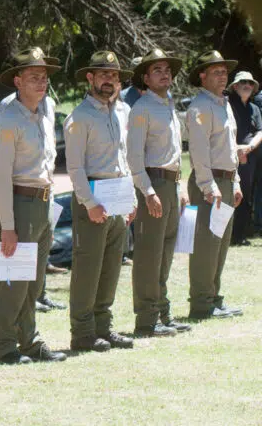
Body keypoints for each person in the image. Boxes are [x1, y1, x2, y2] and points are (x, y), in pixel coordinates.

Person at [0, 48, 67, 365]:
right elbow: (2, 179)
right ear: (18, 81)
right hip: (20, 201)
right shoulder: (9, 121)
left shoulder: (46, 109)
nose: (41, 81)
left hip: (43, 200)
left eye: (44, 76)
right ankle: (6, 347)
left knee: (34, 280)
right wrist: (7, 226)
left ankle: (30, 341)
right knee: (13, 278)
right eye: (33, 76)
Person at [64, 50, 136, 353]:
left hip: (118, 193)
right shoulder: (79, 116)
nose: (109, 80)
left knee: (112, 265)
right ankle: (82, 332)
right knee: (88, 267)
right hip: (92, 195)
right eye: (103, 74)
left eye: (114, 75)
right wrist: (89, 202)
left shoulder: (123, 112)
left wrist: (131, 197)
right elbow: (75, 167)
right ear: (90, 78)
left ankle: (103, 327)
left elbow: (126, 157)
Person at [126, 49, 191, 337]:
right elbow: (134, 157)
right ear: (145, 78)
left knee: (165, 251)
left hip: (171, 184)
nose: (165, 74)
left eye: (167, 70)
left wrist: (181, 185)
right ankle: (146, 319)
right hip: (151, 184)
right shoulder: (141, 109)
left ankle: (162, 313)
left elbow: (175, 153)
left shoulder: (168, 105)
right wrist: (148, 191)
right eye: (157, 71)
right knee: (149, 254)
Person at [185, 51, 244, 320]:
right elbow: (198, 152)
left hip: (227, 180)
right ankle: (201, 303)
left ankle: (214, 298)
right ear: (202, 76)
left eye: (224, 72)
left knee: (219, 245)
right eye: (216, 72)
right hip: (208, 181)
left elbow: (230, 148)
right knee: (205, 246)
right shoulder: (199, 107)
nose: (223, 76)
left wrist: (236, 181)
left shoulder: (224, 104)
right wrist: (209, 186)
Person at [227, 71, 262, 245]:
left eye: (250, 82)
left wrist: (248, 148)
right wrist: (237, 150)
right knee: (230, 193)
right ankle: (228, 234)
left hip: (251, 157)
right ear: (235, 86)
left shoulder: (254, 108)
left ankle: (240, 234)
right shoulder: (227, 105)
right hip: (229, 157)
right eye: (243, 82)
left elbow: (260, 131)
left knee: (246, 194)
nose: (247, 85)